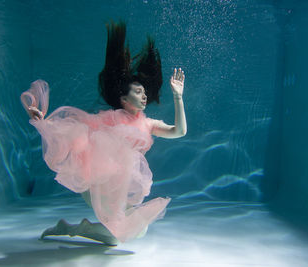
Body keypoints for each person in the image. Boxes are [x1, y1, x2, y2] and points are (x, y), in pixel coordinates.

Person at [21, 21, 186, 246]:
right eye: (139, 92)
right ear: (124, 100)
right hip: (99, 184)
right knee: (126, 232)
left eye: (145, 92)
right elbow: (74, 128)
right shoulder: (110, 118)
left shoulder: (149, 123)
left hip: (125, 187)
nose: (145, 96)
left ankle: (73, 228)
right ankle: (76, 229)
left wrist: (178, 97)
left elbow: (179, 132)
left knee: (135, 231)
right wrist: (43, 123)